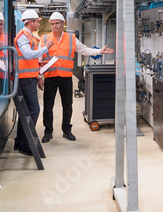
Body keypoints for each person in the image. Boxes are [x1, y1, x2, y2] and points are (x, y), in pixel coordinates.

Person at [40, 12, 114, 143]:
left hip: (66, 77)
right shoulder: (44, 39)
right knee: (48, 106)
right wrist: (38, 76)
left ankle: (67, 130)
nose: (54, 26)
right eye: (52, 24)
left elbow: (85, 50)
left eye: (57, 23)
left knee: (67, 105)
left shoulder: (71, 38)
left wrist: (99, 51)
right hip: (50, 77)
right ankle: (48, 132)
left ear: (63, 24)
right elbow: (39, 58)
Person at [14, 9, 48, 156]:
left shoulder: (30, 36)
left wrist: (38, 73)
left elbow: (31, 58)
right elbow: (27, 55)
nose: (38, 23)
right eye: (37, 21)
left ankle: (20, 142)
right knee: (34, 110)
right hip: (25, 79)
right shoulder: (23, 36)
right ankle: (25, 144)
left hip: (30, 78)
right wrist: (47, 47)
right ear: (31, 22)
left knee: (27, 112)